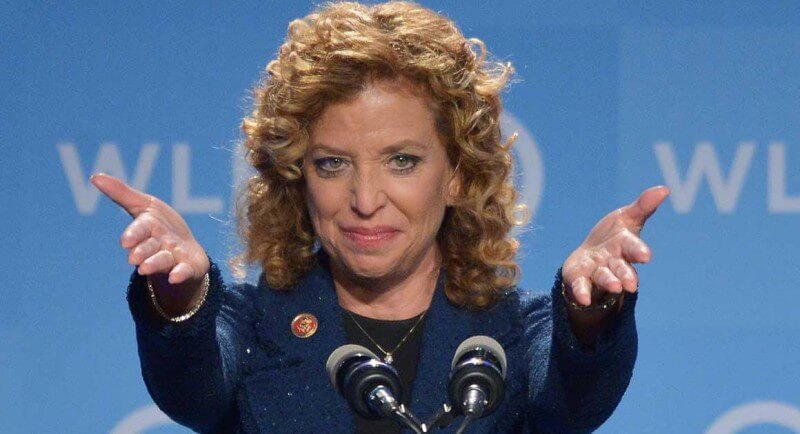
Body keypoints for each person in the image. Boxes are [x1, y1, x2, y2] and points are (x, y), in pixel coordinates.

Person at [92, 1, 669, 432]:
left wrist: (593, 314)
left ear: (458, 175)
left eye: (402, 161)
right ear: (298, 178)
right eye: (333, 163)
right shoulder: (251, 330)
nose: (365, 199)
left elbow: (574, 398)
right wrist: (181, 299)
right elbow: (191, 387)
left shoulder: (511, 335)